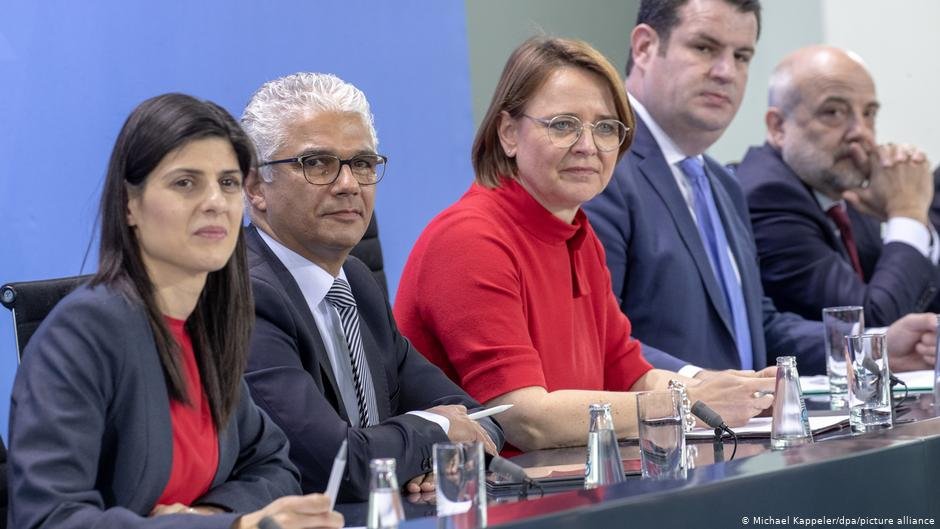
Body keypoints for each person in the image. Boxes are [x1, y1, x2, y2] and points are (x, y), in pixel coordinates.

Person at [394, 36, 777, 454]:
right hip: (496, 491)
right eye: (563, 125)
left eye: (606, 127)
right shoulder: (469, 239)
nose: (588, 146)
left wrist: (731, 392)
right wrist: (687, 403)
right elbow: (525, 419)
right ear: (508, 133)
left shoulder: (579, 233)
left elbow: (630, 373)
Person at [7, 94, 343, 529]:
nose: (215, 201)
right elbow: (48, 519)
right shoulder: (82, 333)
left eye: (228, 183)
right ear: (129, 204)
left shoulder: (205, 325)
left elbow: (274, 466)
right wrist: (235, 526)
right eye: (186, 183)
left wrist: (209, 516)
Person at [583, 0, 936, 376]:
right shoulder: (599, 166)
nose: (726, 72)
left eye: (741, 56)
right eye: (704, 47)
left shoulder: (721, 183)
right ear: (644, 48)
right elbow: (592, 337)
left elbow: (758, 332)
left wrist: (872, 345)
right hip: (664, 414)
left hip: (740, 414)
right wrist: (697, 383)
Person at [240, 72, 503, 501]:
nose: (348, 184)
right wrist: (435, 434)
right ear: (255, 187)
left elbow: (480, 417)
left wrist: (430, 457)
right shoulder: (245, 297)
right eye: (317, 163)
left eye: (362, 163)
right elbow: (338, 466)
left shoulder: (357, 283)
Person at [737, 45, 939, 326]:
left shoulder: (844, 190)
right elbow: (869, 326)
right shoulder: (768, 196)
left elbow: (917, 311)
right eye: (833, 112)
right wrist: (907, 213)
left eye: (869, 113)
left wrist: (912, 222)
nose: (861, 132)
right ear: (778, 127)